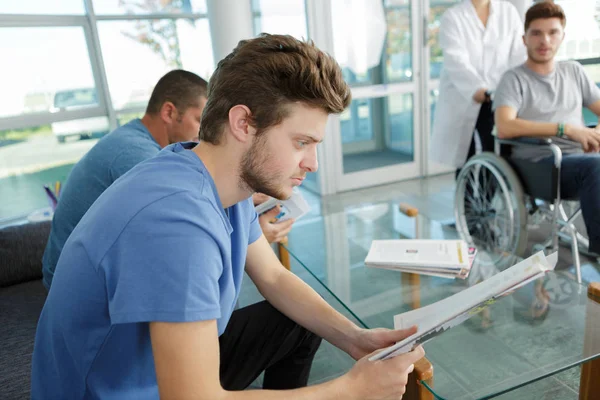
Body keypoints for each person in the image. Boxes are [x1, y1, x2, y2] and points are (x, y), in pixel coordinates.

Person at [31, 34, 425, 399]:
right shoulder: (174, 223)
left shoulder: (216, 177)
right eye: (301, 142)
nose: (313, 163)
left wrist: (355, 338)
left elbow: (273, 277)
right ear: (243, 124)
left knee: (298, 321)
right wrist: (351, 390)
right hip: (115, 392)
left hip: (153, 369)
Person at [41, 69, 293, 289]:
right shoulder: (137, 156)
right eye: (199, 119)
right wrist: (249, 240)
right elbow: (179, 234)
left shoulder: (136, 138)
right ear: (170, 112)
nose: (205, 131)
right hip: (77, 281)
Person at [494, 1, 600, 256]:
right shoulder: (513, 79)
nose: (545, 40)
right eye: (537, 33)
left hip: (581, 160)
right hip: (541, 166)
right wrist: (566, 129)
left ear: (562, 36)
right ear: (524, 38)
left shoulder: (573, 71)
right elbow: (504, 126)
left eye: (553, 32)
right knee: (596, 167)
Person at [430, 0, 526, 174]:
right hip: (465, 95)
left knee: (498, 156)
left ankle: (489, 196)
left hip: (500, 97)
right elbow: (456, 60)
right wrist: (479, 90)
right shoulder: (453, 17)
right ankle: (466, 201)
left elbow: (518, 54)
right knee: (467, 157)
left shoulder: (508, 12)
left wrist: (513, 88)